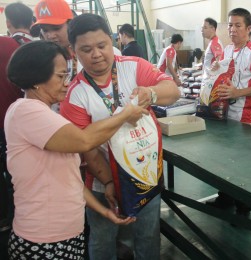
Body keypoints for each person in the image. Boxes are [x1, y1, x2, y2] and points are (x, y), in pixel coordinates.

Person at [5, 40, 142, 260]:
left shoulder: (47, 115)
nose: (66, 82)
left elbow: (68, 181)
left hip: (66, 233)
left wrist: (103, 210)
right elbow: (86, 140)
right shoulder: (27, 111)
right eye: (60, 76)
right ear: (37, 80)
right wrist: (125, 114)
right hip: (44, 240)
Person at [60, 13, 180, 260]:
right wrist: (109, 182)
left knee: (147, 235)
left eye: (102, 45)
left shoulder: (134, 66)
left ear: (112, 40)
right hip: (101, 183)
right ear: (73, 52)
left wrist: (151, 92)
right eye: (86, 49)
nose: (96, 54)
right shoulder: (75, 94)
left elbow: (173, 91)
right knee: (103, 239)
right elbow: (87, 148)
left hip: (144, 173)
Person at [205, 8, 251, 215]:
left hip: (243, 116)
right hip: (224, 114)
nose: (232, 30)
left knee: (242, 164)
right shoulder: (226, 50)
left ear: (249, 28)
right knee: (224, 160)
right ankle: (225, 198)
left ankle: (244, 207)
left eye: (238, 25)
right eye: (230, 25)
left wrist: (238, 92)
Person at [0, 3, 34, 259]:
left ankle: (11, 221)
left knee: (13, 176)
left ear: (9, 22)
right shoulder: (42, 47)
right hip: (41, 122)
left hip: (7, 123)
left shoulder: (4, 45)